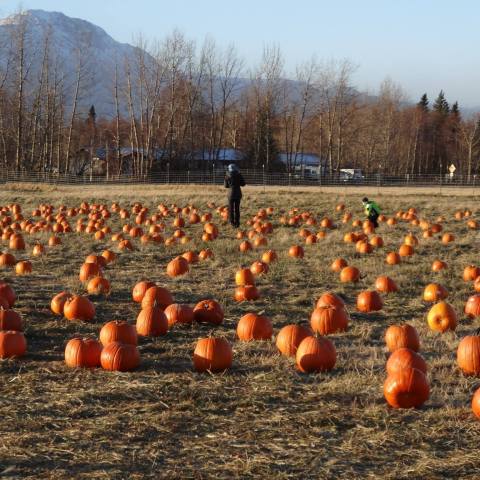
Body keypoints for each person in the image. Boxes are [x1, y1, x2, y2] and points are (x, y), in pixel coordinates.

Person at [224, 164, 246, 228]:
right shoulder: (239, 175)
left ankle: (232, 222)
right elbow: (243, 184)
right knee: (237, 209)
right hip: (238, 194)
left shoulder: (227, 175)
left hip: (230, 194)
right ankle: (237, 223)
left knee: (231, 209)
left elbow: (226, 186)